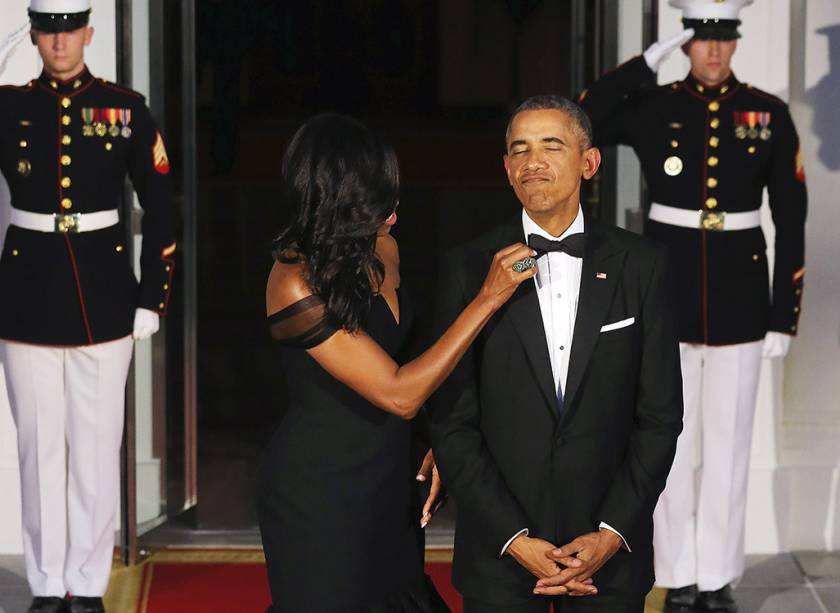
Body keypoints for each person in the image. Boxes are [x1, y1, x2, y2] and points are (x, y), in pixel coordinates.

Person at [0, 2, 175, 612]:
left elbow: (161, 203)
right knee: (39, 451)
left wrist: (152, 296)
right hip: (29, 295)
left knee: (93, 448)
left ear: (89, 33)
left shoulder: (126, 107)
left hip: (107, 296)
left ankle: (86, 587)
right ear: (34, 36)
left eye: (69, 31)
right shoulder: (7, 104)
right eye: (46, 32)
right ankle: (44, 585)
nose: (59, 43)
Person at [577, 1, 807, 610]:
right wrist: (643, 64)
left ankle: (717, 579)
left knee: (730, 443)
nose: (712, 50)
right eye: (700, 39)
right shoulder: (654, 104)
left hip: (740, 298)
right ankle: (676, 574)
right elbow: (582, 116)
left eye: (723, 39)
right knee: (667, 442)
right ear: (684, 44)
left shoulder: (768, 114)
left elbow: (792, 217)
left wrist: (784, 311)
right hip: (665, 292)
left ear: (735, 42)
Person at [258, 113, 537, 613]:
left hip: (389, 481)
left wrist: (433, 440)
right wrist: (487, 299)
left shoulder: (382, 247)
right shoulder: (291, 282)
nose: (393, 202)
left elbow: (411, 358)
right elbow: (399, 392)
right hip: (319, 494)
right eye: (377, 189)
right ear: (338, 193)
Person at [427, 95, 684, 613]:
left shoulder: (643, 264)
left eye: (551, 145)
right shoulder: (467, 267)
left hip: (608, 552)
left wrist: (611, 533)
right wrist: (513, 538)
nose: (533, 161)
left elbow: (659, 416)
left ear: (589, 163)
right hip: (499, 552)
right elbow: (452, 421)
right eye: (518, 150)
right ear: (506, 169)